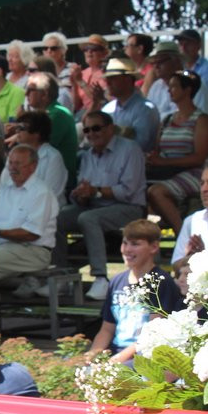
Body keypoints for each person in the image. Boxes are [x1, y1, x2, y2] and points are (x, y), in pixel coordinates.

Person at [56, 111, 147, 300]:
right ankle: (62, 277)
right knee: (59, 217)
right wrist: (81, 194)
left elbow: (128, 191)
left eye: (96, 128)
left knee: (88, 219)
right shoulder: (87, 155)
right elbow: (86, 188)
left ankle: (100, 278)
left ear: (110, 129)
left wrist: (95, 190)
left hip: (128, 207)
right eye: (87, 129)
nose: (91, 133)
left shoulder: (130, 149)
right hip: (95, 205)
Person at [86, 220, 183, 364]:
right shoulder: (116, 281)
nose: (127, 250)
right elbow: (107, 328)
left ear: (154, 247)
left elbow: (153, 333)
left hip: (144, 356)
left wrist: (116, 361)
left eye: (135, 244)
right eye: (125, 243)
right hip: (115, 354)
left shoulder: (160, 281)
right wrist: (93, 356)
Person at [146, 71, 208, 235]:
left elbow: (199, 157)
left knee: (156, 192)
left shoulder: (201, 120)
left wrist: (163, 162)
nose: (169, 90)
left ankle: (184, 236)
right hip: (168, 172)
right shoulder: (167, 120)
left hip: (196, 172)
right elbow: (158, 151)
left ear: (187, 90)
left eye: (174, 86)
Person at [0, 145, 59, 298]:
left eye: (18, 164)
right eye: (10, 163)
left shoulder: (41, 192)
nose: (12, 168)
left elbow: (31, 234)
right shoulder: (4, 190)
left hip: (33, 250)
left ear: (33, 167)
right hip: (4, 247)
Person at [0, 110, 67, 200]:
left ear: (37, 133)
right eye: (17, 127)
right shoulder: (14, 154)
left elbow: (51, 194)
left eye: (22, 128)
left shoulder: (53, 157)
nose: (17, 131)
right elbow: (1, 188)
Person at [100, 57, 160, 154]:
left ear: (127, 80)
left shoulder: (145, 110)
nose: (108, 83)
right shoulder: (107, 110)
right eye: (107, 79)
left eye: (113, 78)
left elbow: (140, 145)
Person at [171, 161, 208, 270]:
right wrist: (190, 258)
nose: (204, 189)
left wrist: (203, 256)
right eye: (202, 183)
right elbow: (176, 266)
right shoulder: (193, 220)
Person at [70, 33, 109, 115]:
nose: (89, 51)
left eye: (94, 48)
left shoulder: (107, 73)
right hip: (83, 113)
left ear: (104, 53)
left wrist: (80, 81)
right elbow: (76, 106)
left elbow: (100, 100)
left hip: (100, 114)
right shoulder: (83, 73)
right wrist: (74, 85)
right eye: (86, 49)